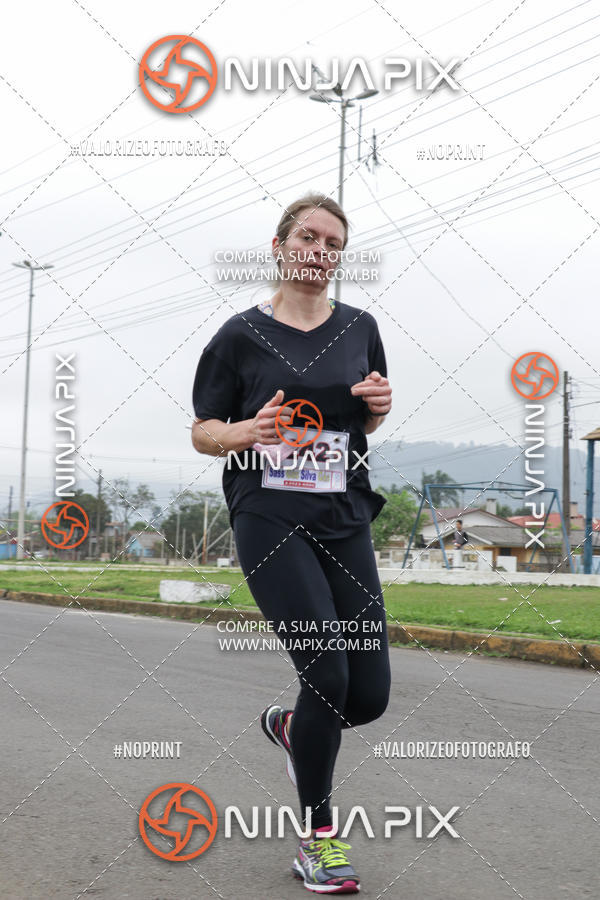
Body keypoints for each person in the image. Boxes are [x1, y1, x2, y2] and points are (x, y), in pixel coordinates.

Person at [191, 192, 392, 894]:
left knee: (366, 696)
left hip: (342, 512)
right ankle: (319, 839)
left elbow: (360, 422)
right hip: (268, 512)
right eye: (308, 236)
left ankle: (288, 727)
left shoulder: (361, 327)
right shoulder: (240, 335)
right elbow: (203, 429)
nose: (320, 250)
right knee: (327, 675)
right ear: (279, 246)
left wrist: (378, 409)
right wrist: (244, 432)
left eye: (333, 243)